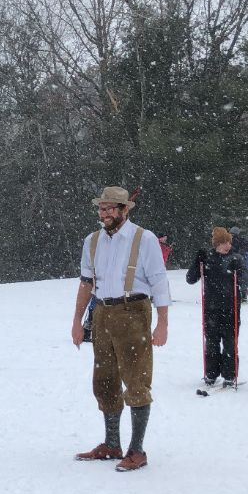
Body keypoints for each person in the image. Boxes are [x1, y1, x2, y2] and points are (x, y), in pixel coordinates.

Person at [69, 186, 170, 472]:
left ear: (124, 209)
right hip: (101, 313)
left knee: (136, 380)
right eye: (102, 208)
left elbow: (159, 281)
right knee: (104, 380)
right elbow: (86, 283)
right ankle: (112, 443)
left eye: (111, 208)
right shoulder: (92, 241)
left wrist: (162, 323)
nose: (105, 213)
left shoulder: (144, 238)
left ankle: (137, 450)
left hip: (133, 312)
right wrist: (77, 321)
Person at [186, 227, 246, 388]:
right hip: (211, 308)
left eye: (228, 242)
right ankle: (211, 374)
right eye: (222, 243)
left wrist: (237, 272)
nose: (226, 245)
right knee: (211, 342)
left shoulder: (236, 258)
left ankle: (229, 375)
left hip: (231, 308)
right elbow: (191, 279)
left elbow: (246, 281)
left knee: (230, 342)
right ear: (215, 244)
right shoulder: (207, 258)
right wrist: (196, 261)